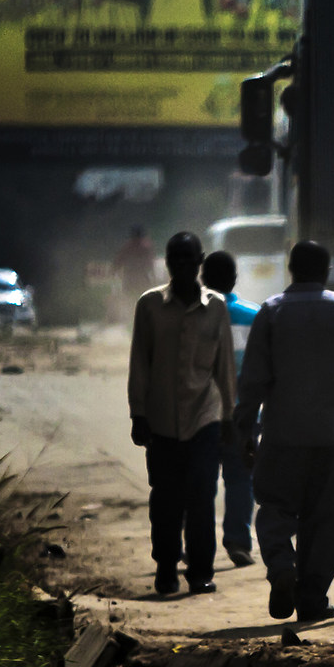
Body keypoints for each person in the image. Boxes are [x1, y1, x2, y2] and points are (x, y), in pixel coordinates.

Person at [238, 240, 334, 625]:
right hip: (329, 436)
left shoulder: (271, 311)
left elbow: (252, 379)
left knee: (275, 506)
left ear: (290, 268)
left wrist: (244, 430)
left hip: (282, 434)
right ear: (326, 269)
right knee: (323, 517)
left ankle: (282, 567)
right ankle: (313, 598)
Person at [126, 230, 236, 596]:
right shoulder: (150, 305)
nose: (184, 267)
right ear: (168, 263)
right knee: (166, 497)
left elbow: (223, 368)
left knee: (202, 496)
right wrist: (137, 413)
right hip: (160, 419)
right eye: (177, 260)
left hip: (204, 416)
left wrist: (230, 418)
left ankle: (201, 570)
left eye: (191, 260)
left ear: (201, 262)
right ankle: (166, 565)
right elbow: (140, 361)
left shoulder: (217, 307)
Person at [202, 249, 261, 568]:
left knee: (201, 482)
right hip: (243, 414)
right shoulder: (254, 315)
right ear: (234, 279)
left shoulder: (191, 313)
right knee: (240, 479)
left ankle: (198, 545)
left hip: (201, 415)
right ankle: (238, 541)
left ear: (202, 278)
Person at [111, 225, 159, 322]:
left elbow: (118, 261)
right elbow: (151, 263)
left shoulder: (128, 246)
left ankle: (132, 316)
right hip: (142, 276)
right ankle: (143, 316)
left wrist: (115, 270)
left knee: (130, 297)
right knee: (143, 296)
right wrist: (153, 276)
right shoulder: (146, 246)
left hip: (130, 276)